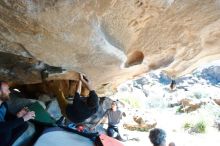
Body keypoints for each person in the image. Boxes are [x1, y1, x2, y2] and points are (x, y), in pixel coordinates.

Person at [0, 81, 35, 146]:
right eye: (7, 90)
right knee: (6, 130)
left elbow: (7, 116)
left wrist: (18, 116)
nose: (9, 92)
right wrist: (23, 118)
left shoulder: (3, 104)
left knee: (23, 125)